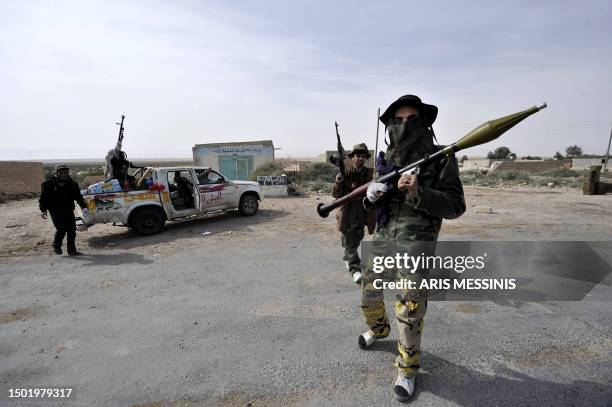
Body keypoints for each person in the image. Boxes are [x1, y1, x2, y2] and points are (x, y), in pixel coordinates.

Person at [359, 95, 465, 401]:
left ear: (424, 124)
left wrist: (419, 192)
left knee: (409, 309)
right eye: (399, 120)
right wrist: (371, 196)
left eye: (412, 120)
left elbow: (456, 205)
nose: (405, 125)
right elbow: (372, 201)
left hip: (415, 245)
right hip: (382, 239)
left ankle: (407, 368)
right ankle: (379, 330)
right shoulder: (386, 160)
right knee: (368, 294)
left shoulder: (441, 157)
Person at [332, 143, 376, 284]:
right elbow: (336, 194)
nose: (360, 159)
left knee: (355, 239)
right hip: (348, 214)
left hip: (362, 214)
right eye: (358, 156)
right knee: (349, 242)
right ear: (352, 157)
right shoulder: (346, 172)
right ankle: (355, 269)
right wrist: (339, 182)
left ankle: (348, 258)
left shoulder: (369, 174)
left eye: (363, 156)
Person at [39, 164, 88, 256]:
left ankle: (71, 250)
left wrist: (84, 207)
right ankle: (56, 245)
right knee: (61, 229)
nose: (63, 174)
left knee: (72, 231)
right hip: (55, 211)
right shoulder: (47, 184)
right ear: (56, 172)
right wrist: (43, 210)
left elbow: (78, 197)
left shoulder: (72, 184)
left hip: (68, 209)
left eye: (65, 172)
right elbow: (43, 198)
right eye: (61, 172)